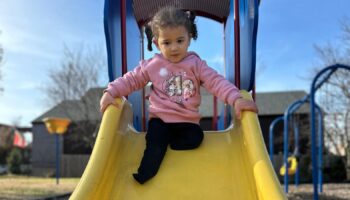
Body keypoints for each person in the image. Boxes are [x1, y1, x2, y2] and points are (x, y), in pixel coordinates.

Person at [100, 6, 258, 184]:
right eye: (167, 43)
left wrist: (235, 98)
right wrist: (111, 91)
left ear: (189, 39)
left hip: (187, 121)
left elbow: (216, 82)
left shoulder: (196, 64)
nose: (174, 48)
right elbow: (131, 79)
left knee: (196, 139)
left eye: (180, 41)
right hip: (160, 119)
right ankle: (144, 175)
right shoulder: (153, 65)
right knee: (154, 145)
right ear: (157, 43)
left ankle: (173, 145)